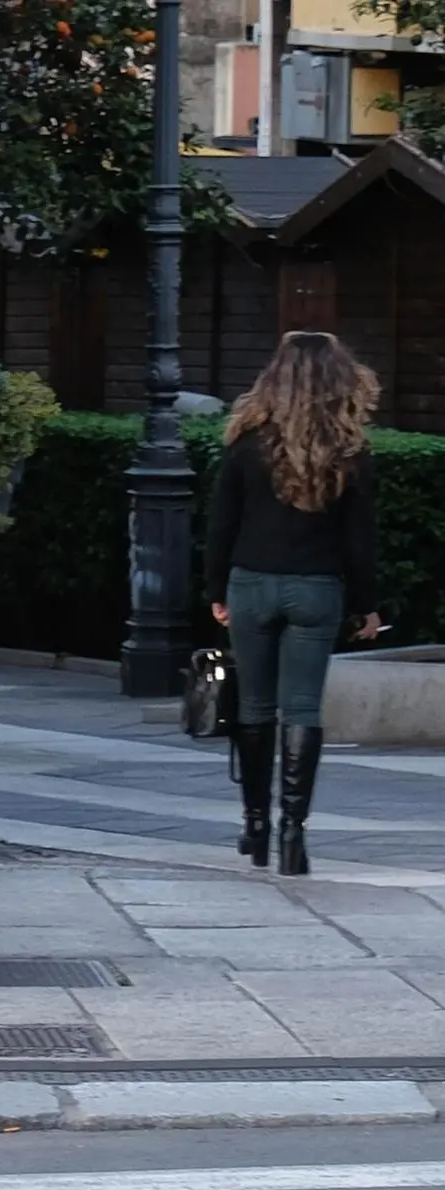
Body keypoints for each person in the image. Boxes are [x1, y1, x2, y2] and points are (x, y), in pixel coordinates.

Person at [206, 330, 381, 878]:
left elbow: (220, 524)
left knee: (254, 708)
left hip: (251, 583)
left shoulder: (245, 442)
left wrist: (215, 591)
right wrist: (368, 605)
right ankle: (293, 836)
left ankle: (255, 826)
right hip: (316, 588)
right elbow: (359, 539)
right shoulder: (350, 451)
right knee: (302, 710)